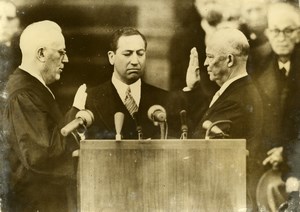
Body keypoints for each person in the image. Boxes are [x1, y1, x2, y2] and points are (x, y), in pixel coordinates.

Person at [2, 20, 87, 212]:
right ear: (41, 54)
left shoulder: (31, 89)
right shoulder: (23, 94)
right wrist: (75, 110)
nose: (66, 60)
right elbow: (40, 155)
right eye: (61, 53)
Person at [188, 28, 263, 210]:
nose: (205, 63)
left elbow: (199, 146)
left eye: (210, 56)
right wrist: (194, 88)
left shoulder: (236, 100)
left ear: (229, 60)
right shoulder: (237, 92)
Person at [247, 2, 300, 211]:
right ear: (268, 33)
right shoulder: (260, 69)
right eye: (276, 31)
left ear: (298, 34)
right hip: (268, 160)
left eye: (288, 31)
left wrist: (286, 153)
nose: (281, 37)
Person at [86, 27, 170, 139]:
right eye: (127, 54)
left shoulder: (163, 99)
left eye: (140, 54)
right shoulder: (90, 99)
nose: (135, 61)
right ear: (112, 57)